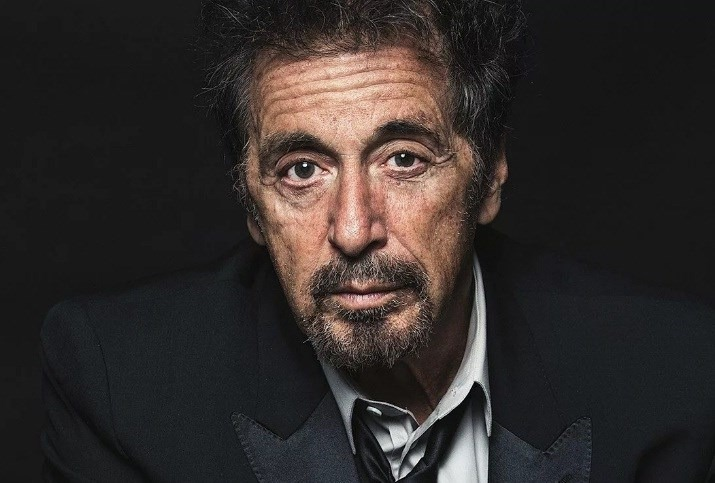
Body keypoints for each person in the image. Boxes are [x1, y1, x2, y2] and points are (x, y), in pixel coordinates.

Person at [40, 0, 715, 481]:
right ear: (251, 203)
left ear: (488, 175)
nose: (354, 229)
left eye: (403, 159)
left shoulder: (674, 378)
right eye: (302, 170)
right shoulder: (122, 390)